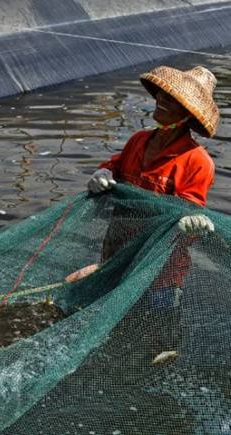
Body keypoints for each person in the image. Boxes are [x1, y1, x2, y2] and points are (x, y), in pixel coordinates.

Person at [86, 65, 219, 306]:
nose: (160, 98)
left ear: (188, 112)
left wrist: (190, 223)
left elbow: (189, 213)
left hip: (158, 276)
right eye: (161, 93)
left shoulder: (197, 161)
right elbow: (114, 165)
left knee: (156, 338)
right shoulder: (139, 140)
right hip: (116, 260)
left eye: (171, 98)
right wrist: (102, 172)